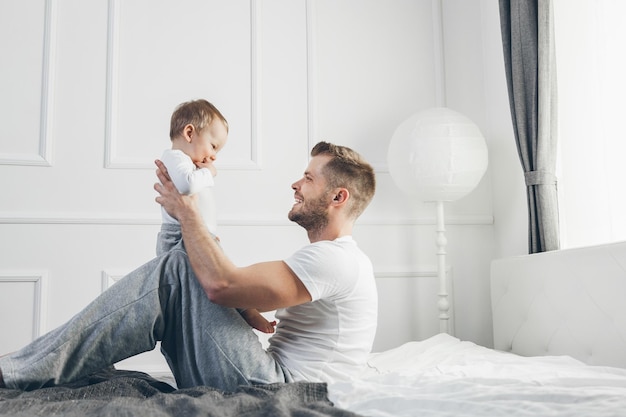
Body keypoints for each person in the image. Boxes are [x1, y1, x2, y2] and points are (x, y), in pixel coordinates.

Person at [0, 141, 377, 391]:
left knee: (182, 265)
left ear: (337, 197)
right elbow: (231, 290)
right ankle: (33, 365)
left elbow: (222, 286)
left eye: (308, 179)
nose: (296, 184)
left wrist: (187, 214)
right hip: (271, 376)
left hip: (284, 390)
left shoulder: (336, 260)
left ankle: (15, 370)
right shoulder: (333, 259)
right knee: (185, 265)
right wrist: (193, 228)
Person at [159, 99, 275, 334]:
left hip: (198, 235)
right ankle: (244, 310)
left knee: (222, 274)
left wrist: (208, 235)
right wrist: (208, 172)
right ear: (189, 132)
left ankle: (243, 309)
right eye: (213, 146)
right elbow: (186, 185)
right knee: (207, 281)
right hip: (178, 238)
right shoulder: (175, 158)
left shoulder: (189, 164)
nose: (213, 157)